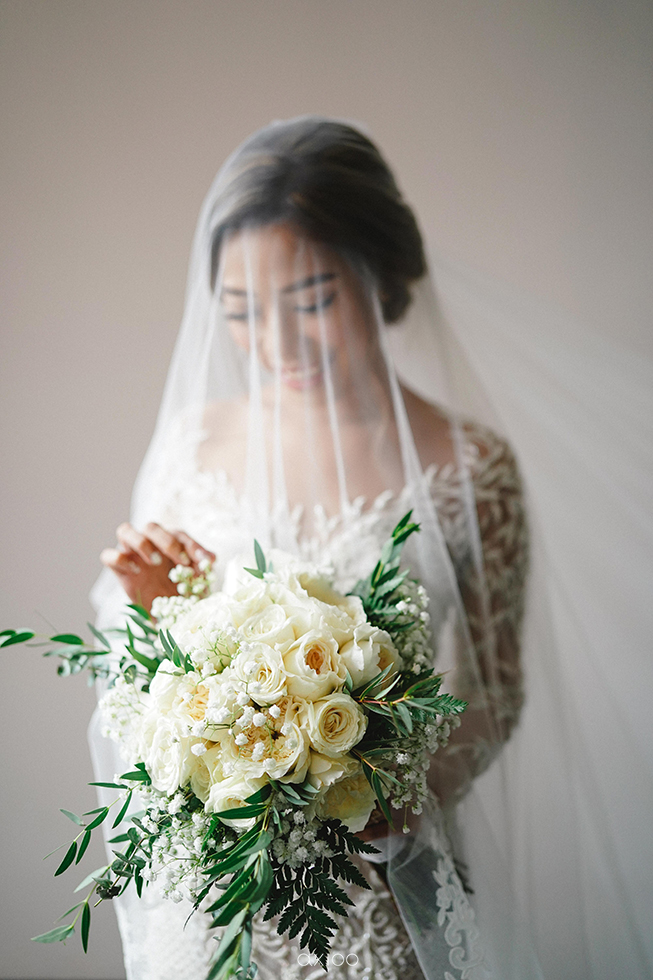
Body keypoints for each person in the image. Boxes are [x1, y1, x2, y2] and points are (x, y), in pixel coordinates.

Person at [90, 117, 649, 980]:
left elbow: (494, 689)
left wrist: (397, 790)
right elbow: (140, 677)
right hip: (216, 894)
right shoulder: (192, 446)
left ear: (378, 276)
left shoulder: (472, 471)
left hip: (380, 892)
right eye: (240, 312)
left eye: (311, 301)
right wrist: (159, 613)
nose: (274, 346)